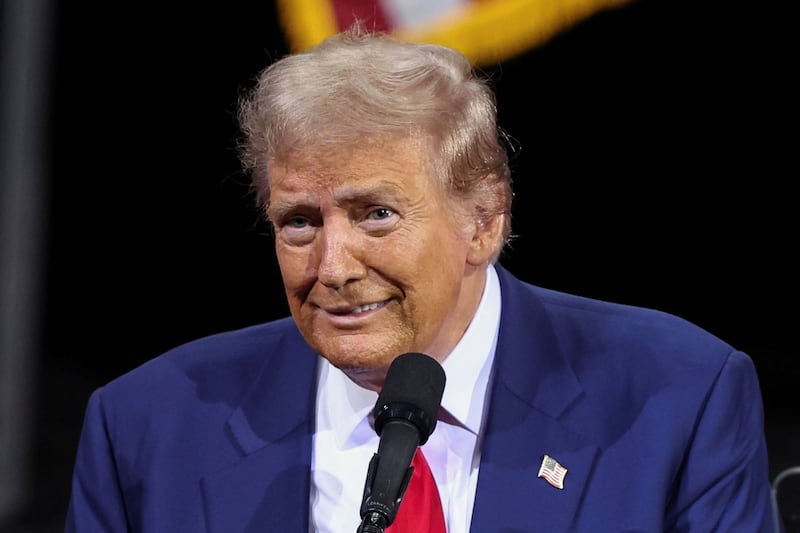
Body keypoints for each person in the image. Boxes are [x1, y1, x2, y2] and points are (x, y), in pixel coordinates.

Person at [65, 24, 776, 532]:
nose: (332, 268)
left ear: (484, 220)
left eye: (375, 214)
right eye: (299, 222)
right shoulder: (145, 427)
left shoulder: (678, 397)